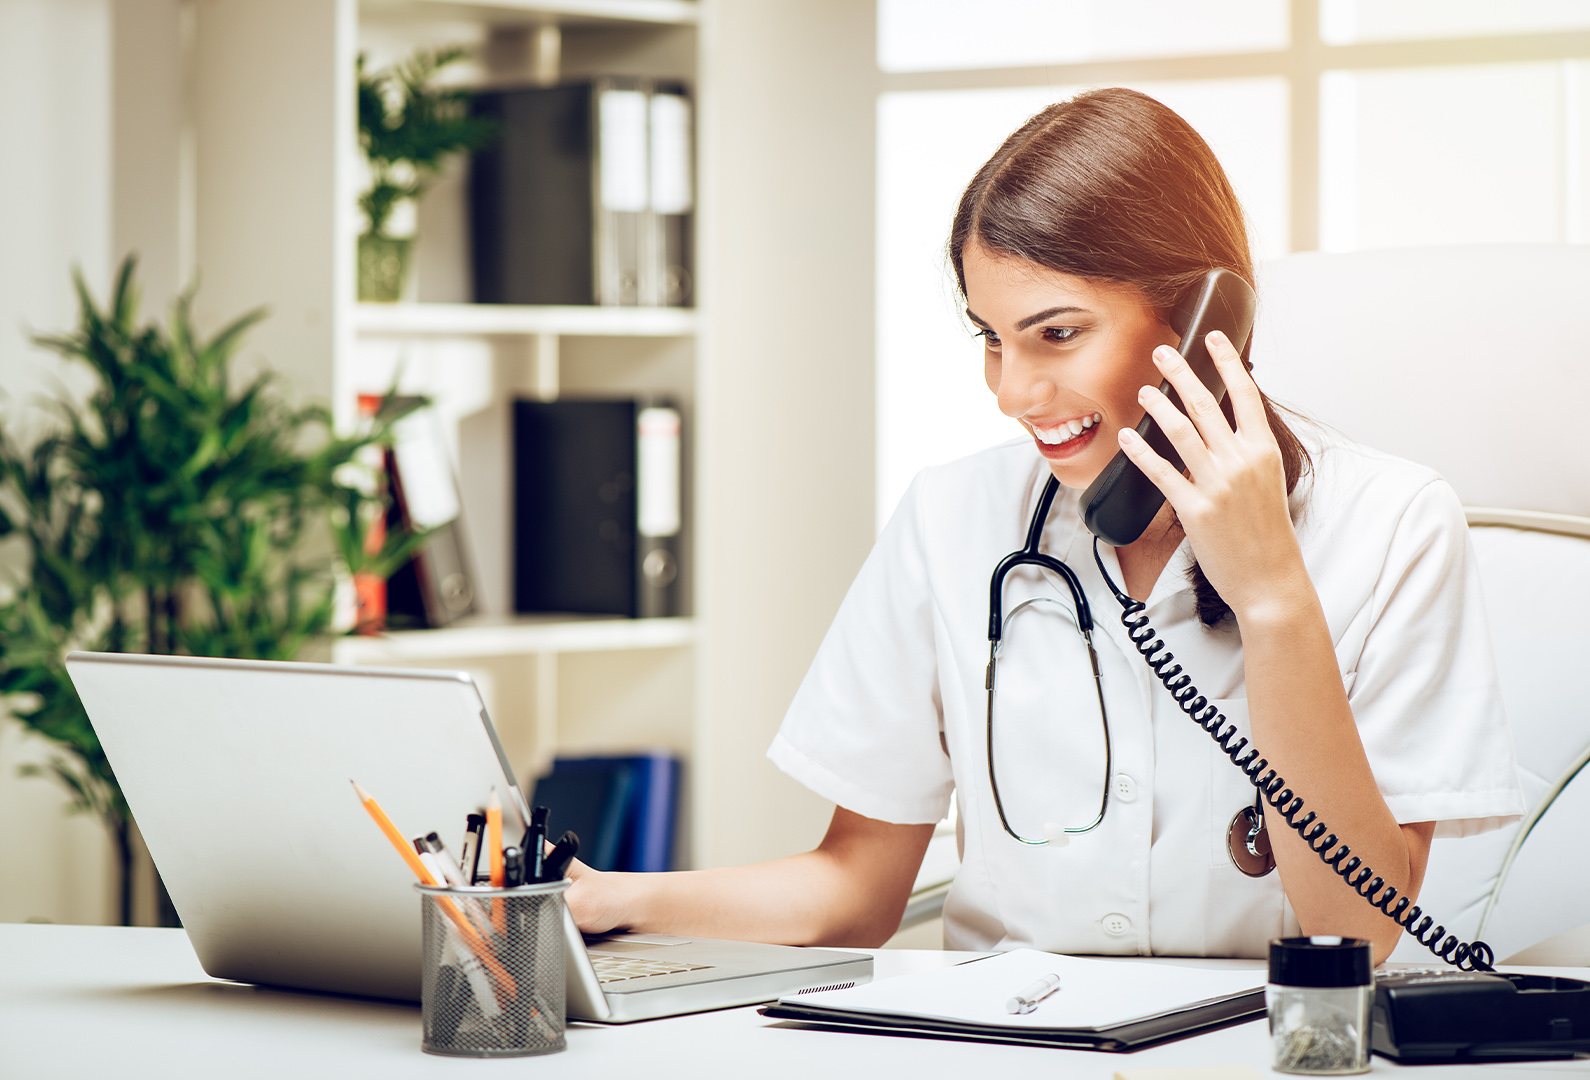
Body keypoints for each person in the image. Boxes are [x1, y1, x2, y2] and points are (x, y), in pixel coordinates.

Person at [566, 88, 1523, 964]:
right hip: (1004, 1047)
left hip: (1257, 1055)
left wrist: (1273, 597)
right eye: (992, 337)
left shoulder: (1393, 525)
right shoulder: (952, 516)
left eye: (1057, 333)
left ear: (1202, 314)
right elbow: (856, 889)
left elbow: (1353, 929)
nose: (1012, 392)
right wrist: (605, 901)